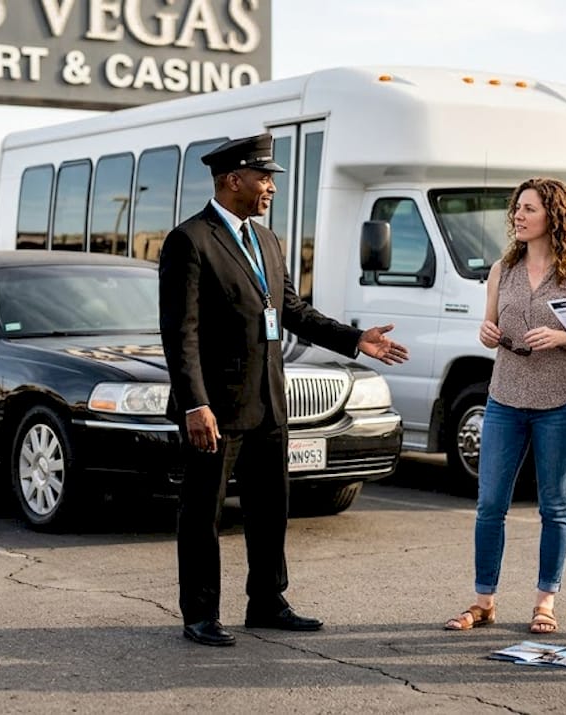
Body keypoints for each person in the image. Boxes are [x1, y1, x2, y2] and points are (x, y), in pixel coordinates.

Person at [158, 133, 410, 647]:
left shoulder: (266, 241)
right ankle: (200, 613)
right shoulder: (191, 240)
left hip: (270, 403)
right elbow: (179, 332)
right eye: (263, 177)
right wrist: (195, 404)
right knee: (203, 513)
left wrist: (355, 339)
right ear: (233, 180)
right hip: (217, 408)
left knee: (271, 507)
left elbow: (293, 312)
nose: (270, 187)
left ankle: (267, 601)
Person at [444, 177, 566, 636]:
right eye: (517, 209)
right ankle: (483, 601)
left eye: (528, 209)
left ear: (554, 215)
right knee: (490, 503)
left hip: (559, 402)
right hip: (504, 399)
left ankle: (545, 602)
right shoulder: (501, 269)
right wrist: (486, 332)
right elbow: (487, 325)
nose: (518, 216)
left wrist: (563, 338)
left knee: (554, 506)